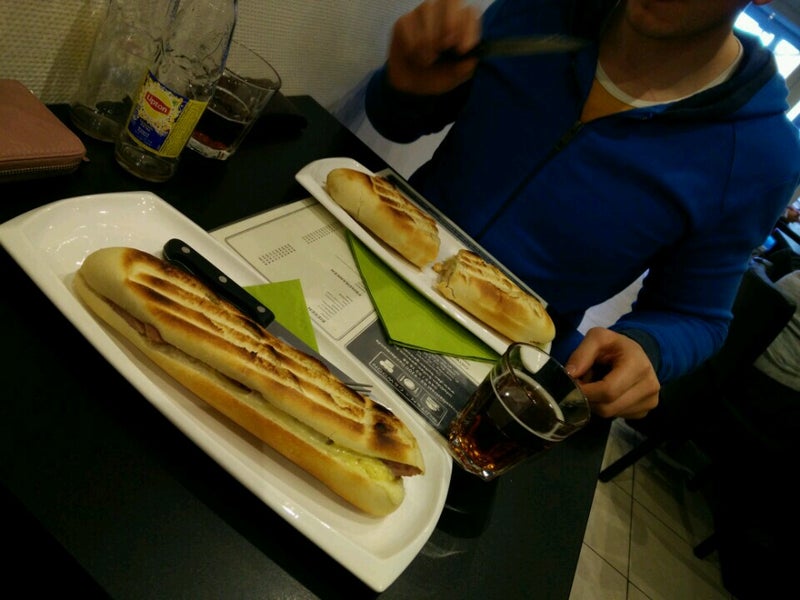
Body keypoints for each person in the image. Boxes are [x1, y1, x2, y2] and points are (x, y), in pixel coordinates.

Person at [364, 0, 800, 419]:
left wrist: (648, 347)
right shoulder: (543, 11)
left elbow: (696, 313)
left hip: (500, 364)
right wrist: (406, 88)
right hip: (375, 251)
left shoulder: (760, 156)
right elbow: (397, 121)